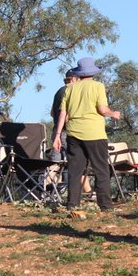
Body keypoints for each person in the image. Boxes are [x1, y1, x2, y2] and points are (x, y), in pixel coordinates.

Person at [53, 58, 121, 214]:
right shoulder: (98, 86)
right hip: (94, 134)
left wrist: (57, 135)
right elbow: (102, 109)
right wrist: (113, 114)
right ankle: (105, 205)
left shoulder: (70, 88)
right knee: (101, 169)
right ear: (93, 72)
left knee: (75, 170)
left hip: (73, 134)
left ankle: (72, 204)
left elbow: (63, 113)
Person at [50, 69, 93, 198]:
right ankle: (89, 194)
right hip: (68, 133)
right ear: (74, 79)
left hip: (56, 132)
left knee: (55, 164)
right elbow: (67, 115)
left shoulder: (59, 91)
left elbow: (52, 113)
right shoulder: (70, 91)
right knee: (79, 163)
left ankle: (44, 191)